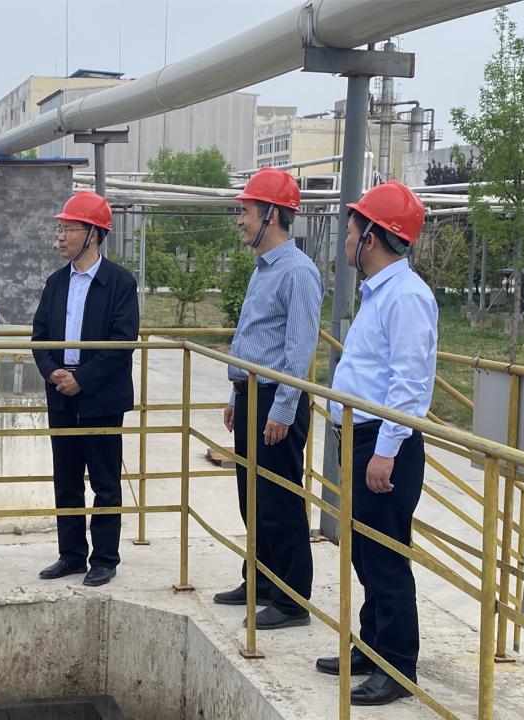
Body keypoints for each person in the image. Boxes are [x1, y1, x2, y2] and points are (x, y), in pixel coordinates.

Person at [316, 181, 437, 706]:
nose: (346, 239)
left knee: (385, 558)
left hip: (386, 445)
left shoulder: (407, 297)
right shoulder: (381, 292)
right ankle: (372, 645)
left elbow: (409, 384)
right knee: (365, 552)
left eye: (351, 230)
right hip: (362, 437)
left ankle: (397, 666)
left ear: (372, 236)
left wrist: (385, 451)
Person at [215, 167, 323, 630]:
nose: (240, 220)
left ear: (272, 215)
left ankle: (292, 599)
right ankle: (260, 580)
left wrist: (281, 410)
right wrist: (236, 393)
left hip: (278, 401)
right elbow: (255, 339)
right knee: (252, 497)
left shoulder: (298, 273)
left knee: (279, 501)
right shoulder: (264, 270)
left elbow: (298, 350)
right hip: (252, 396)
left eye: (246, 211)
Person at [31, 191, 139, 587]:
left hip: (101, 396)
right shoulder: (56, 283)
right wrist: (53, 373)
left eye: (68, 229)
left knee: (105, 482)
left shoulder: (120, 283)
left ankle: (105, 559)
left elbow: (122, 342)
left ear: (92, 234)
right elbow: (39, 337)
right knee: (67, 479)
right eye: (59, 229)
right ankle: (72, 555)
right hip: (61, 393)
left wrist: (84, 378)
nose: (60, 236)